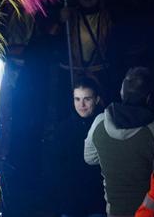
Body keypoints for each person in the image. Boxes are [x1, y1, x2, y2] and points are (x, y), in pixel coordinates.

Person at [85, 67, 154, 217]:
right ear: (149, 98)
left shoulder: (99, 123)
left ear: (122, 92)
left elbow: (89, 158)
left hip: (114, 212)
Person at [45, 77, 107, 217]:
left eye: (87, 99)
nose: (82, 105)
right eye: (77, 99)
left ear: (96, 99)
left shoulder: (105, 127)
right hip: (71, 202)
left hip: (96, 200)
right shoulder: (63, 129)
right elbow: (55, 167)